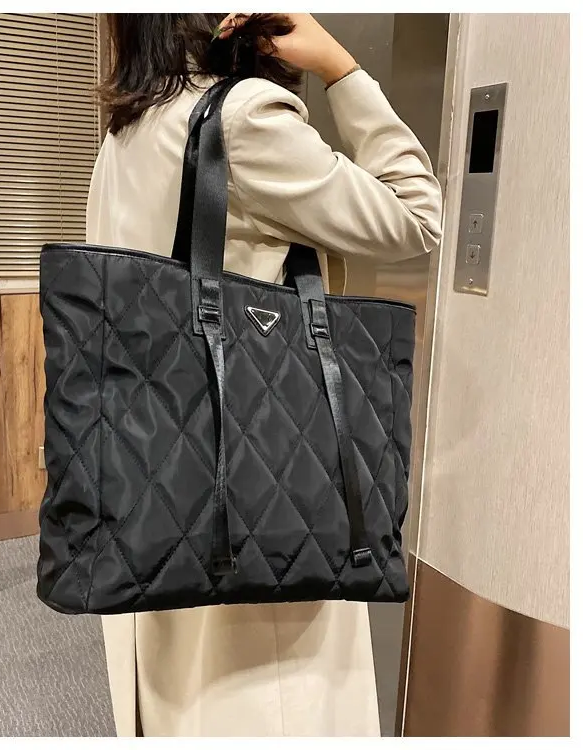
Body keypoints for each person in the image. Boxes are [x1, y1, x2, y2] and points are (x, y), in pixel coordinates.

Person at [86, 13, 442, 738]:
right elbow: (417, 214)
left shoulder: (126, 129)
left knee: (180, 692)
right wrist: (342, 68)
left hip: (152, 477)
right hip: (254, 493)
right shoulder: (245, 119)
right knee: (263, 702)